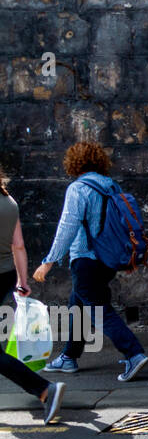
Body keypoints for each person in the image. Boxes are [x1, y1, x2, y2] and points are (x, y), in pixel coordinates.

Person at [32, 142, 148, 382]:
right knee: (78, 305)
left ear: (74, 162)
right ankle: (69, 357)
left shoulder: (78, 189)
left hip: (86, 259)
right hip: (107, 259)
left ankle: (134, 353)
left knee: (97, 310)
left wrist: (48, 261)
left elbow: (67, 227)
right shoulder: (110, 185)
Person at [0, 167, 65, 423]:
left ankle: (44, 389)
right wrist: (22, 281)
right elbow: (18, 245)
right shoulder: (9, 201)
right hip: (5, 274)